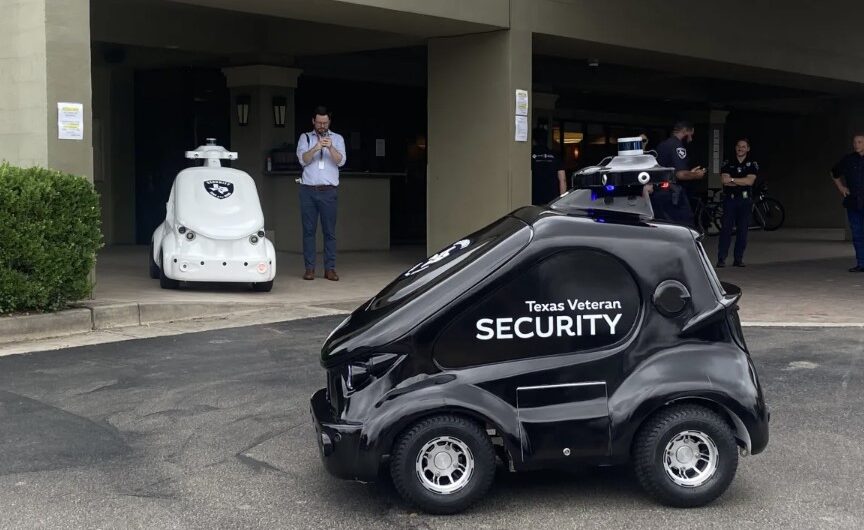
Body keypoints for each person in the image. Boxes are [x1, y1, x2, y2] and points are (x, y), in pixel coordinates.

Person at [296, 106, 346, 281]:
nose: (322, 126)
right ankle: (309, 269)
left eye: (325, 123)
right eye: (319, 122)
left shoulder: (338, 138)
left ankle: (329, 269)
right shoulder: (305, 138)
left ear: (329, 122)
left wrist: (330, 147)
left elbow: (341, 162)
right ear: (313, 122)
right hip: (308, 191)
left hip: (329, 192)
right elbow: (303, 160)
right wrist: (316, 147)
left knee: (329, 232)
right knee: (309, 231)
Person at [651, 121, 706, 226]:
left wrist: (689, 172)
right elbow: (680, 174)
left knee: (663, 225)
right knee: (685, 225)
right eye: (690, 135)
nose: (691, 139)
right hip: (672, 193)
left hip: (658, 192)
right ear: (685, 131)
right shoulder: (677, 146)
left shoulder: (662, 145)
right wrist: (696, 175)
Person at [717, 139, 758, 267]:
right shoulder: (728, 162)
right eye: (738, 146)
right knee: (726, 230)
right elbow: (725, 181)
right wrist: (741, 180)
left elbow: (749, 182)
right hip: (730, 199)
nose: (740, 148)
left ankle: (738, 259)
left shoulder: (752, 164)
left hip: (745, 200)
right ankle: (721, 259)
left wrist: (733, 179)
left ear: (748, 149)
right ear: (735, 148)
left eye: (743, 146)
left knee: (743, 230)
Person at [830, 133, 864, 272]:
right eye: (855, 142)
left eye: (860, 142)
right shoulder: (848, 159)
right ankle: (861, 263)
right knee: (857, 233)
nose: (856, 144)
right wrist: (841, 187)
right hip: (854, 202)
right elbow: (834, 172)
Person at [531, 127, 567, 205]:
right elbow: (562, 179)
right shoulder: (555, 155)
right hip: (553, 198)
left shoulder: (531, 156)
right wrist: (563, 200)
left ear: (533, 140)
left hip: (534, 197)